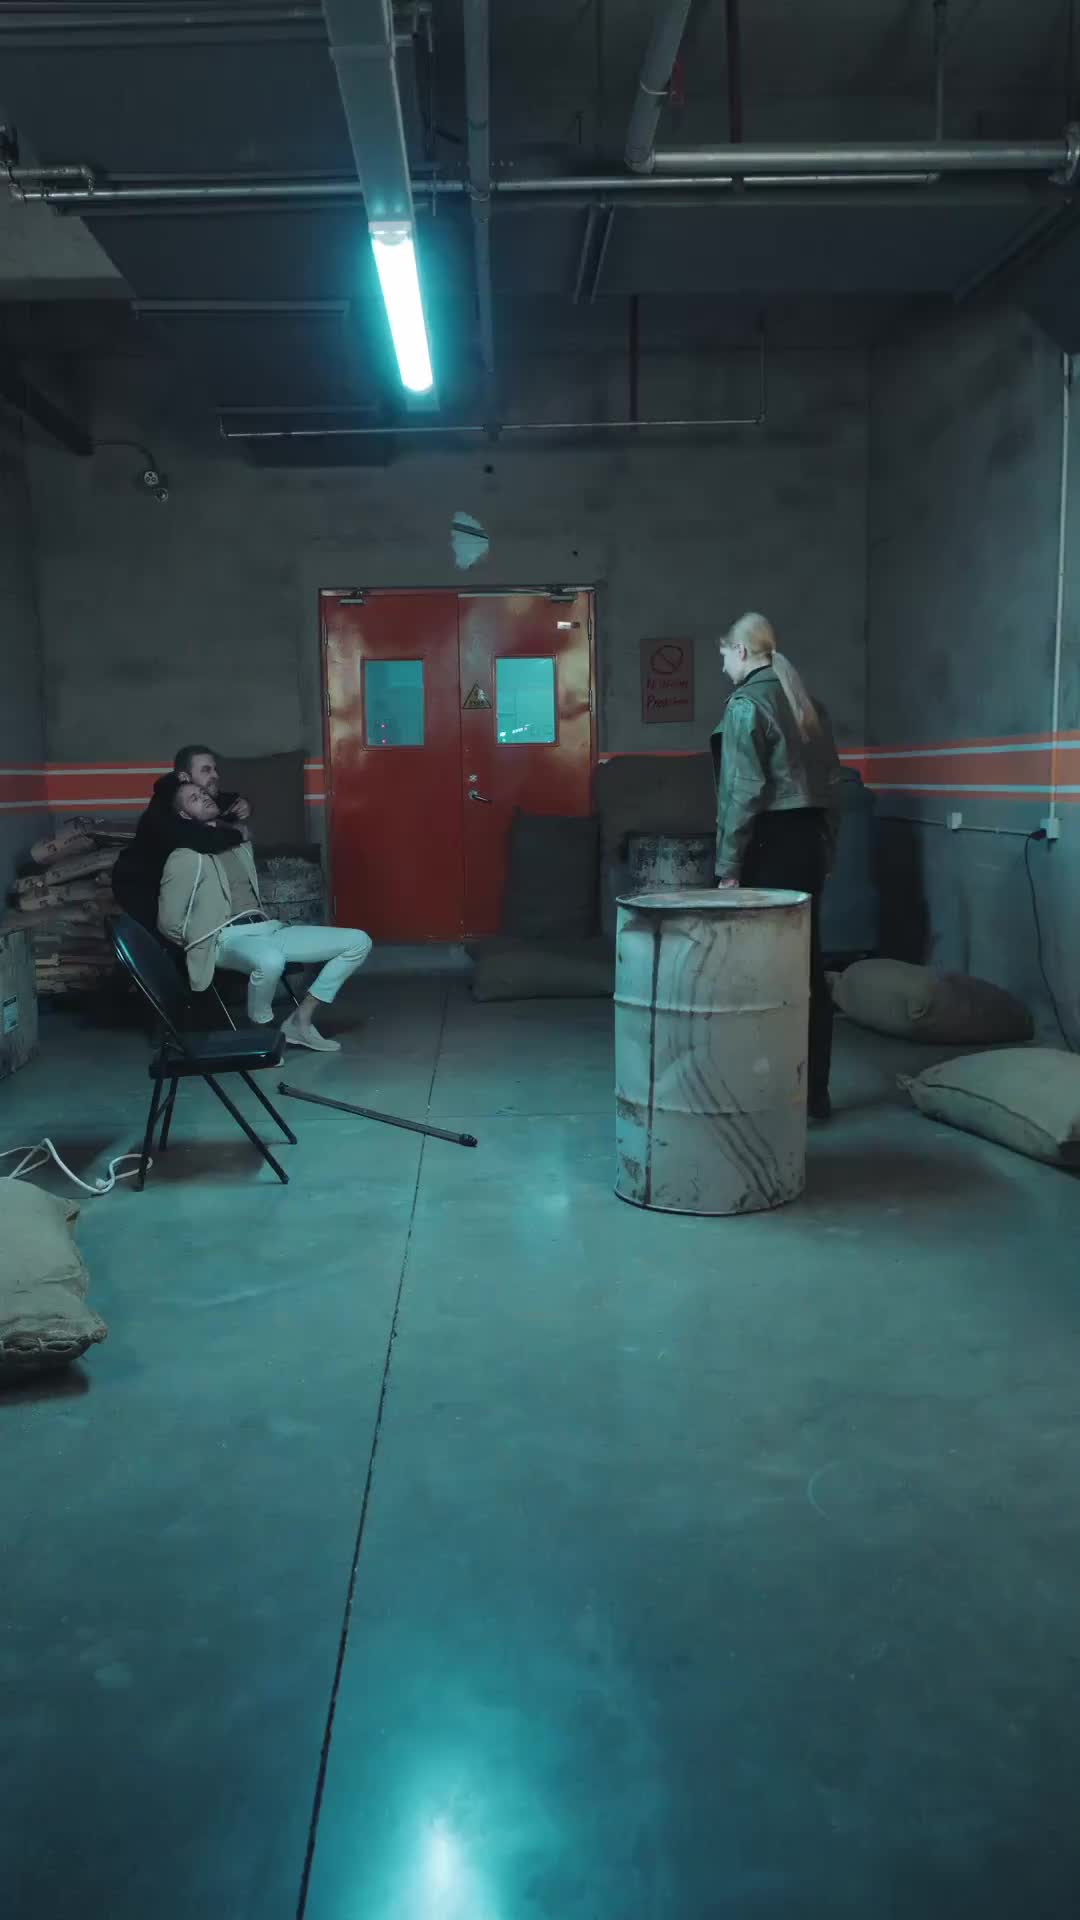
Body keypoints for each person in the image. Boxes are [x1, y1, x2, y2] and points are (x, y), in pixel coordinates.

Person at [712, 612, 842, 1122]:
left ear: (742, 652)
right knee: (806, 967)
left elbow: (742, 793)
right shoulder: (807, 704)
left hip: (767, 845)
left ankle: (766, 1096)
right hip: (807, 843)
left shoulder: (747, 704)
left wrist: (728, 867)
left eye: (724, 655)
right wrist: (827, 852)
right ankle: (814, 1097)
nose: (723, 666)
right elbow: (833, 787)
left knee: (759, 973)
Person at [157, 780, 371, 1053]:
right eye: (194, 799)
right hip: (225, 937)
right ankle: (262, 1035)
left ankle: (300, 1020)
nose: (204, 797)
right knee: (271, 961)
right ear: (184, 815)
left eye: (203, 793)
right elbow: (168, 922)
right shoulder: (184, 857)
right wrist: (201, 940)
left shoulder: (238, 844)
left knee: (358, 941)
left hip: (266, 928)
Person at [112, 748, 251, 932]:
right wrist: (237, 834)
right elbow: (200, 839)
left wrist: (243, 803)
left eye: (215, 769)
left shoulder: (195, 794)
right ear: (185, 776)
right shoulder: (163, 811)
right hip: (141, 887)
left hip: (173, 886)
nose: (215, 775)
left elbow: (217, 800)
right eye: (206, 770)